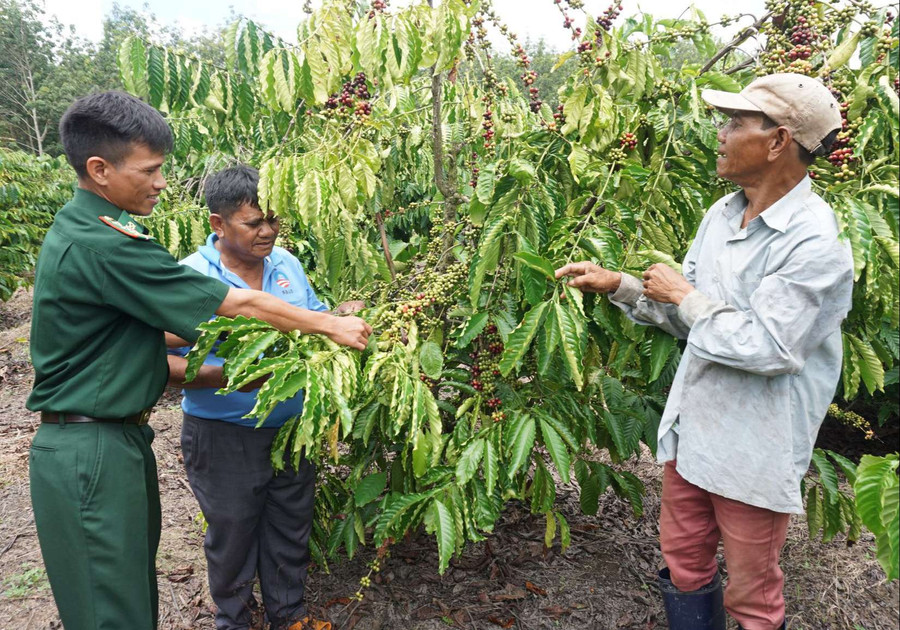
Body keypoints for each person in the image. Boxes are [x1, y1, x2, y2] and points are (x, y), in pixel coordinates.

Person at [26, 91, 372, 630]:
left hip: (113, 437)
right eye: (152, 169)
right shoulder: (105, 243)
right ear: (100, 169)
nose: (162, 183)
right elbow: (229, 306)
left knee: (128, 598)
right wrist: (328, 326)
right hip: (92, 447)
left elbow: (132, 352)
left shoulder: (95, 231)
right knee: (111, 611)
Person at [556, 73, 853, 630]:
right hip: (694, 432)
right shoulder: (721, 214)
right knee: (685, 562)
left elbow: (771, 348)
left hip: (753, 448)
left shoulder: (815, 241)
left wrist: (688, 297)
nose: (721, 133)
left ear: (778, 141)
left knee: (753, 593)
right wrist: (619, 283)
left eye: (736, 122)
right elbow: (684, 317)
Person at [165, 165, 354, 630]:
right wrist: (231, 378)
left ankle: (289, 616)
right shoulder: (189, 277)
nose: (267, 231)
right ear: (218, 223)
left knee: (291, 527)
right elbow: (160, 362)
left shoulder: (286, 263)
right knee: (232, 533)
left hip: (290, 429)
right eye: (253, 223)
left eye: (273, 219)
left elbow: (309, 326)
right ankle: (233, 621)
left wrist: (339, 318)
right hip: (224, 433)